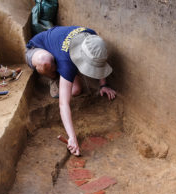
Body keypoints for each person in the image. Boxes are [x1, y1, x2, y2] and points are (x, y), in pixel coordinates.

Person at [26, 26, 116, 156]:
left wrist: (103, 85)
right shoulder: (66, 60)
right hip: (37, 49)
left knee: (76, 90)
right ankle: (53, 77)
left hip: (64, 52)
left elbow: (98, 59)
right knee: (45, 61)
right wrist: (72, 137)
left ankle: (63, 74)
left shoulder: (92, 38)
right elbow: (63, 104)